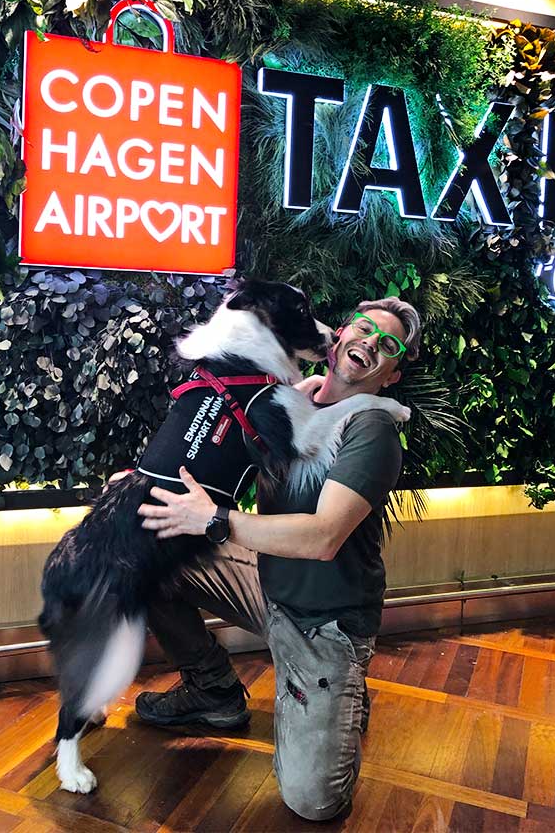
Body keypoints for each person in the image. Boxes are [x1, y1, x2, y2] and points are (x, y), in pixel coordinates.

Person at [135, 297, 422, 822]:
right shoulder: (285, 400)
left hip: (324, 621)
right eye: (363, 329)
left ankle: (344, 693)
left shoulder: (372, 429)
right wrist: (141, 491)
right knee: (146, 553)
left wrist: (215, 521)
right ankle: (213, 690)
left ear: (393, 374)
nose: (370, 343)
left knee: (313, 802)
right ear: (337, 336)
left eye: (388, 345)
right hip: (267, 586)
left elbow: (323, 536)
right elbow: (206, 452)